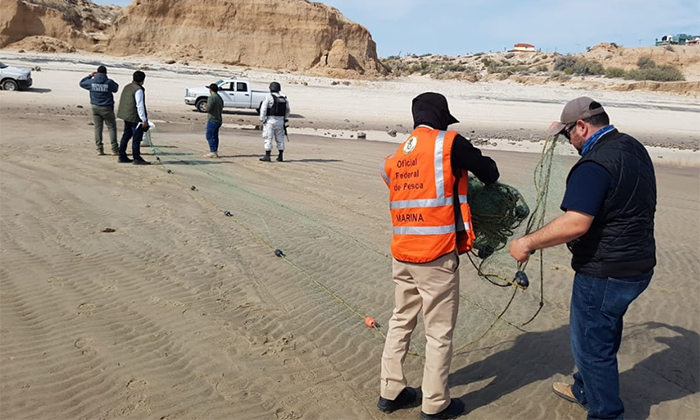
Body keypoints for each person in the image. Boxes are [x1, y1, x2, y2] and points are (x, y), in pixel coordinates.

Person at [509, 97, 656, 420]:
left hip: (606, 270)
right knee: (605, 330)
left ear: (582, 127)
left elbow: (576, 223)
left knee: (591, 345)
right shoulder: (632, 147)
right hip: (639, 265)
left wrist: (527, 243)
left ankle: (605, 413)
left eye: (568, 135)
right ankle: (584, 388)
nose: (568, 142)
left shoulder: (594, 165)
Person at [378, 92, 500, 420]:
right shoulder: (448, 144)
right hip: (435, 255)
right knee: (439, 332)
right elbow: (490, 172)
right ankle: (435, 404)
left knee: (401, 319)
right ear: (441, 117)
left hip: (402, 254)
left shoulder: (396, 156)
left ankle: (390, 391)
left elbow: (394, 181)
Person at [79, 65, 119, 155]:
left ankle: (99, 149)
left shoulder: (92, 82)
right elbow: (116, 88)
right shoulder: (109, 82)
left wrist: (90, 75)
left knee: (98, 128)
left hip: (95, 107)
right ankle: (114, 149)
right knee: (111, 128)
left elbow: (82, 83)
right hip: (107, 107)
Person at [116, 71, 150, 165]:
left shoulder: (127, 86)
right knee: (136, 138)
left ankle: (122, 155)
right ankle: (136, 157)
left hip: (126, 115)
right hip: (134, 117)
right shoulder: (138, 90)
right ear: (143, 80)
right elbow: (140, 105)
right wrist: (143, 119)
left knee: (126, 136)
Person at [259, 81, 290, 162]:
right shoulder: (283, 98)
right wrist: (284, 119)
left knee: (268, 138)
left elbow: (263, 109)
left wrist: (262, 119)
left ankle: (267, 155)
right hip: (280, 121)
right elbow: (287, 110)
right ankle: (280, 156)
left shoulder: (269, 97)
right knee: (280, 138)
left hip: (270, 120)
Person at [204, 83, 224, 158]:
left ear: (211, 90)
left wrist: (205, 106)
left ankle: (213, 151)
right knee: (215, 136)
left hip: (213, 119)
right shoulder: (219, 97)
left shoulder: (212, 97)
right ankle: (215, 151)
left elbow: (208, 108)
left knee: (209, 135)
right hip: (218, 119)